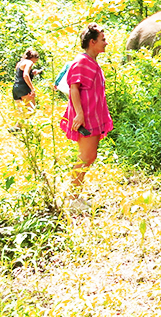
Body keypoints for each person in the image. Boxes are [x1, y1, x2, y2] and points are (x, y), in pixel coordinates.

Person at [59, 23, 113, 211]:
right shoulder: (81, 61)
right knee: (86, 157)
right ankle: (72, 200)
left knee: (90, 156)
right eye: (103, 40)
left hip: (94, 116)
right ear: (92, 42)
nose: (106, 43)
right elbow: (74, 87)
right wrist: (79, 115)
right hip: (86, 118)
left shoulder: (92, 61)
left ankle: (76, 196)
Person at [11, 48, 41, 127]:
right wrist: (32, 89)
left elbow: (21, 74)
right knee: (31, 110)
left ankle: (18, 130)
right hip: (23, 88)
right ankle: (17, 128)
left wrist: (32, 73)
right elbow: (25, 75)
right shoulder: (29, 62)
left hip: (16, 88)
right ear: (34, 57)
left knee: (22, 112)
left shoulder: (20, 63)